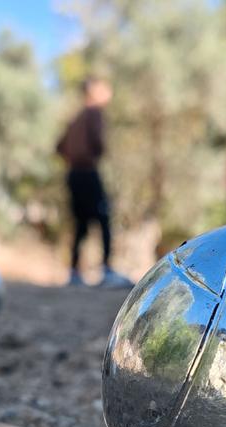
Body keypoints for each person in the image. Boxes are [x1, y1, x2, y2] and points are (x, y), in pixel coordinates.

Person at [56, 77, 132, 288]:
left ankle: (73, 271)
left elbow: (59, 146)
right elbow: (98, 142)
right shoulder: (94, 113)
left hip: (72, 174)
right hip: (88, 172)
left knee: (81, 223)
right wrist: (93, 153)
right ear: (94, 91)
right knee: (103, 216)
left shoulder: (75, 119)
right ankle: (107, 269)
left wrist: (73, 156)